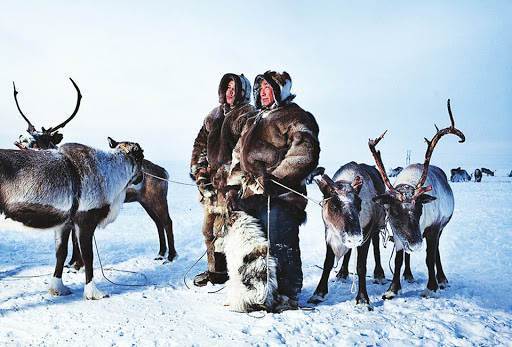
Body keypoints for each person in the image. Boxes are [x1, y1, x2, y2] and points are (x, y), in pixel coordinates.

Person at [226, 71, 320, 310]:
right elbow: (238, 156)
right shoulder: (254, 120)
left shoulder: (296, 116)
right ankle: (260, 292)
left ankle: (288, 294)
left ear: (281, 91)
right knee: (256, 246)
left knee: (280, 241)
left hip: (281, 195)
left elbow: (304, 152)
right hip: (251, 195)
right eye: (261, 88)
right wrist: (233, 187)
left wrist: (275, 179)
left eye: (269, 87)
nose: (263, 92)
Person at [190, 73, 255, 286]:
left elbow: (243, 150)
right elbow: (199, 145)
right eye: (227, 87)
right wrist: (200, 175)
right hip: (210, 187)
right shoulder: (213, 116)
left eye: (234, 87)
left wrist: (231, 181)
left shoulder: (247, 115)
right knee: (208, 230)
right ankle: (216, 271)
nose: (230, 91)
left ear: (242, 91)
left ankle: (233, 275)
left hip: (233, 187)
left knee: (229, 232)